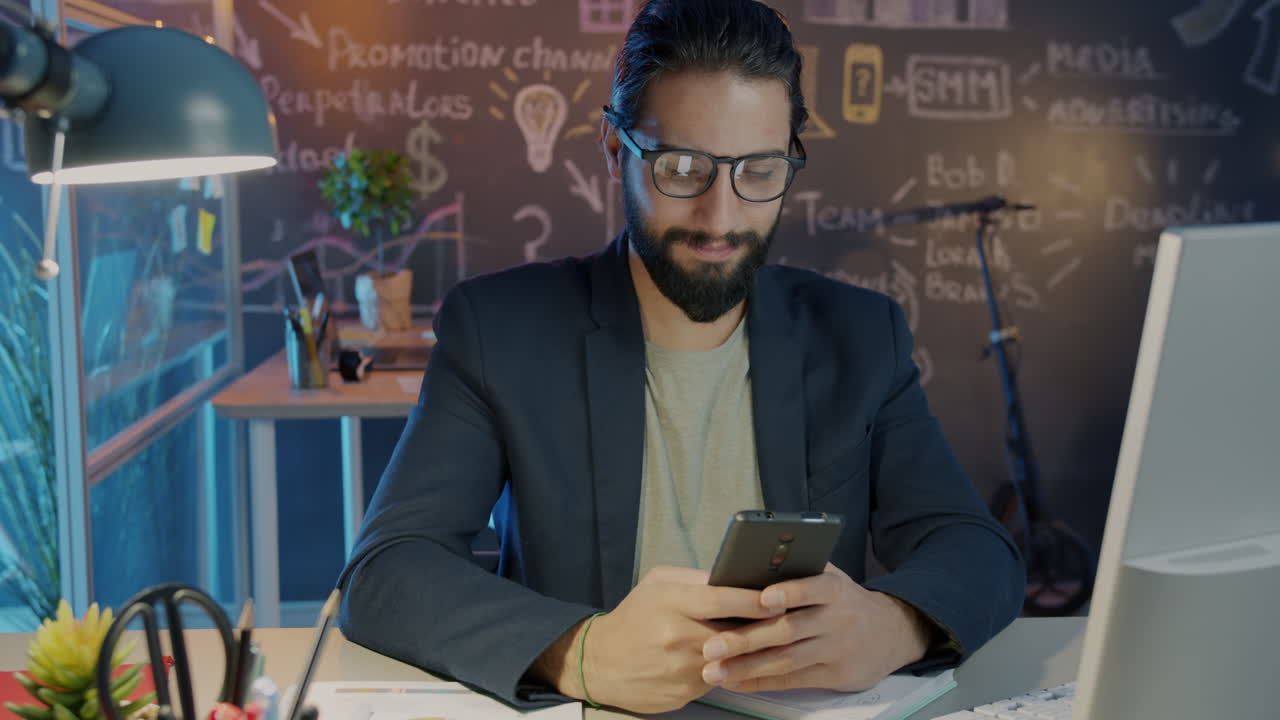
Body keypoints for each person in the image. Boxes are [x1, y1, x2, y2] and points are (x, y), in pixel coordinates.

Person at [337, 0, 1024, 713]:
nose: (720, 217)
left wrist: (895, 624)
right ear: (615, 149)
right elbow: (386, 570)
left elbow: (976, 548)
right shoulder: (500, 329)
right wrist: (579, 653)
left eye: (759, 170)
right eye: (682, 167)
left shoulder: (861, 336)